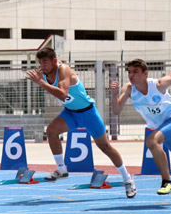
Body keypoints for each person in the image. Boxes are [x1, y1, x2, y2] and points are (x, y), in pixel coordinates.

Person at [25, 47, 136, 198]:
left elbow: (63, 95)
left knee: (105, 147)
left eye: (45, 62)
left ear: (55, 62)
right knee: (51, 131)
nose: (42, 66)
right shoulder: (43, 73)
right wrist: (38, 77)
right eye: (40, 63)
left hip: (88, 113)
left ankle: (127, 179)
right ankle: (61, 169)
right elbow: (40, 77)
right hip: (71, 113)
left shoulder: (63, 70)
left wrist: (40, 83)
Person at [111, 59, 171, 195]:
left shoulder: (158, 85)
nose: (131, 75)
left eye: (136, 72)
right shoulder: (129, 89)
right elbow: (116, 110)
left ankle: (167, 182)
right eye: (129, 72)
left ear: (145, 74)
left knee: (152, 141)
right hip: (161, 126)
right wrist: (114, 95)